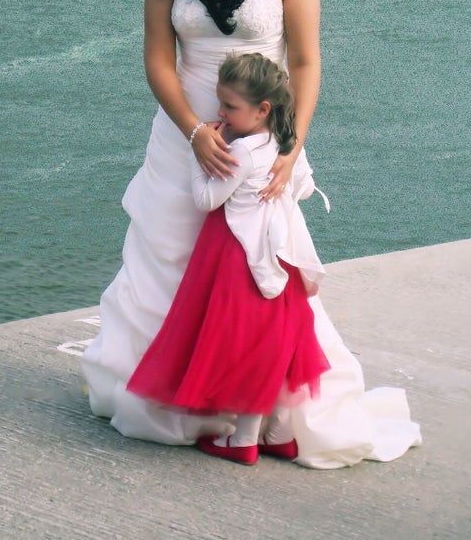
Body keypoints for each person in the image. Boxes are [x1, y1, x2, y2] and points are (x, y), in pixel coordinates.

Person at [80, 0, 421, 469]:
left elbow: (307, 61)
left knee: (260, 276)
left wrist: (290, 150)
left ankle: (267, 413)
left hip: (266, 146)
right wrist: (192, 132)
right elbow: (159, 60)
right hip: (187, 140)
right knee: (171, 262)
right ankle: (187, 407)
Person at [127, 53, 330, 465]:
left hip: (236, 252)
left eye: (229, 107)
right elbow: (303, 189)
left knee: (242, 343)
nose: (220, 113)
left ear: (263, 109)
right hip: (279, 254)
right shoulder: (283, 145)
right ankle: (279, 432)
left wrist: (195, 154)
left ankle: (242, 442)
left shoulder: (239, 154)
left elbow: (205, 200)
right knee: (276, 341)